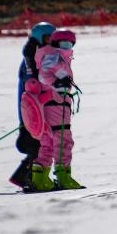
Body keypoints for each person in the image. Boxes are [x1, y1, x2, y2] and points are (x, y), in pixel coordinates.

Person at [29, 29, 82, 191]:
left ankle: (40, 178)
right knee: (63, 137)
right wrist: (57, 83)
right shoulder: (54, 56)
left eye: (69, 44)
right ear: (55, 44)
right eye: (63, 44)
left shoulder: (56, 56)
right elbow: (44, 75)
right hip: (56, 104)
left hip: (53, 102)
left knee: (49, 141)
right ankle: (63, 176)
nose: (66, 47)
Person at [9, 21, 55, 191]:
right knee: (37, 142)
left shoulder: (40, 55)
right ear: (39, 38)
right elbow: (32, 83)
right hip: (31, 109)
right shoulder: (31, 58)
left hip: (39, 106)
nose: (51, 41)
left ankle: (23, 175)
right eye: (48, 38)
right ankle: (30, 178)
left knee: (42, 141)